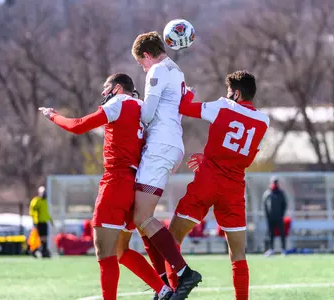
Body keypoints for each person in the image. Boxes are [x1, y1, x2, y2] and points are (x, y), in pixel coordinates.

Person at [39, 73, 172, 300]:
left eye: (106, 87)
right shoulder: (143, 107)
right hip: (136, 186)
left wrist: (53, 116)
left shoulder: (118, 102)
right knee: (121, 250)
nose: (103, 93)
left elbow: (78, 126)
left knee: (104, 253)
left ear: (118, 88)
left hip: (116, 182)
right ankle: (163, 290)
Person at [168, 70, 270, 300]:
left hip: (208, 181)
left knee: (171, 239)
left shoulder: (224, 105)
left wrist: (187, 94)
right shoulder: (264, 121)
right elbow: (245, 156)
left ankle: (174, 292)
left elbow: (185, 108)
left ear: (235, 93)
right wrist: (212, 157)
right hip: (233, 188)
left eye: (228, 91)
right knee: (238, 254)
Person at [131, 31, 201, 299]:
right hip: (170, 145)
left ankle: (182, 274)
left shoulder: (157, 71)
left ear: (147, 55)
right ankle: (164, 284)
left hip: (160, 147)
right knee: (141, 218)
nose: (143, 67)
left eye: (141, 63)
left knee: (142, 217)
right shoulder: (176, 70)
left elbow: (147, 113)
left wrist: (127, 108)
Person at [262, 177, 287, 256]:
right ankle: (271, 249)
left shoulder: (281, 193)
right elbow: (264, 205)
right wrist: (267, 216)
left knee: (282, 233)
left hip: (279, 217)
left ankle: (283, 249)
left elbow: (284, 204)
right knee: (271, 234)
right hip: (270, 218)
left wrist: (281, 214)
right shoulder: (268, 193)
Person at [29, 186, 53, 258]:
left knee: (44, 237)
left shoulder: (45, 201)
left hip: (44, 222)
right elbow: (32, 211)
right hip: (38, 222)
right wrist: (34, 220)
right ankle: (35, 251)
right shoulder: (36, 201)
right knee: (39, 238)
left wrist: (51, 220)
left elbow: (46, 213)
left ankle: (44, 251)